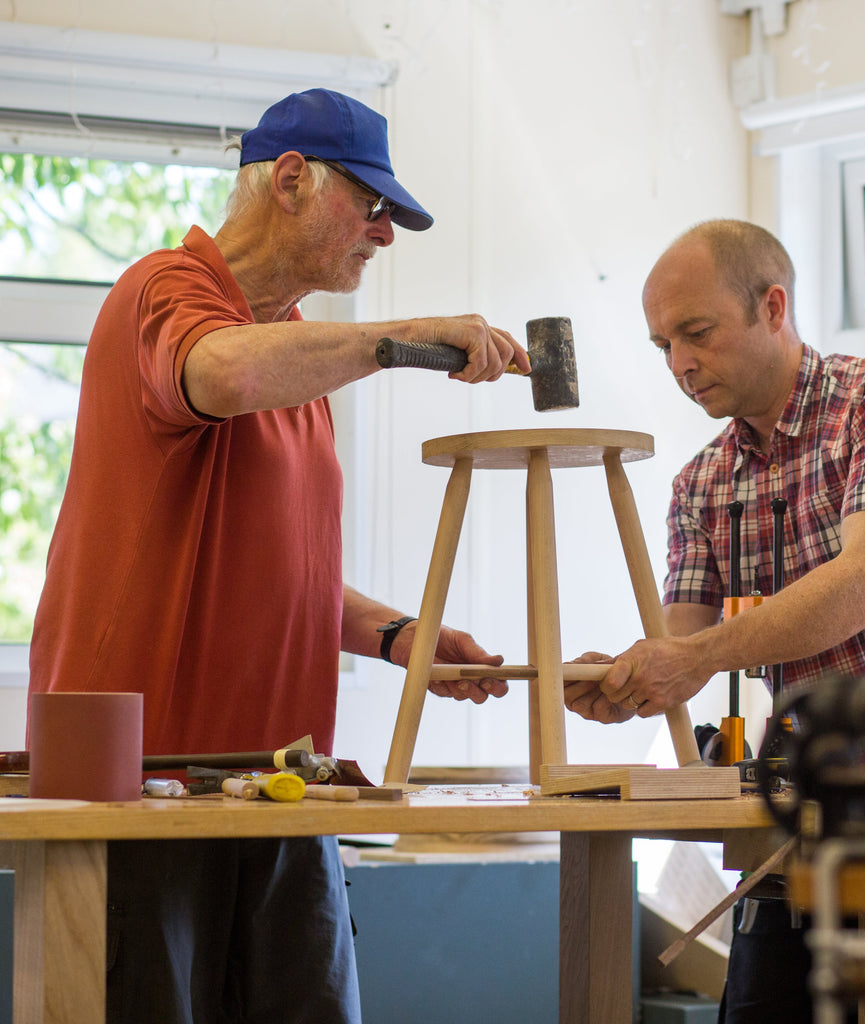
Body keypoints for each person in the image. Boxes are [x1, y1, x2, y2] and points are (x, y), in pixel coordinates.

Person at [28, 88, 524, 1024]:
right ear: (291, 180)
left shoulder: (301, 352)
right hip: (146, 789)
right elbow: (221, 372)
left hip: (282, 781)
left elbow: (276, 572)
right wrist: (406, 340)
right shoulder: (165, 292)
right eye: (371, 206)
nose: (384, 236)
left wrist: (396, 634)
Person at [563, 219, 865, 1023]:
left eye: (696, 333)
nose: (679, 364)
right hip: (810, 824)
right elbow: (683, 649)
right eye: (662, 344)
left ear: (772, 306)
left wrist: (689, 657)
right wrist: (632, 676)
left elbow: (862, 587)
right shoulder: (701, 485)